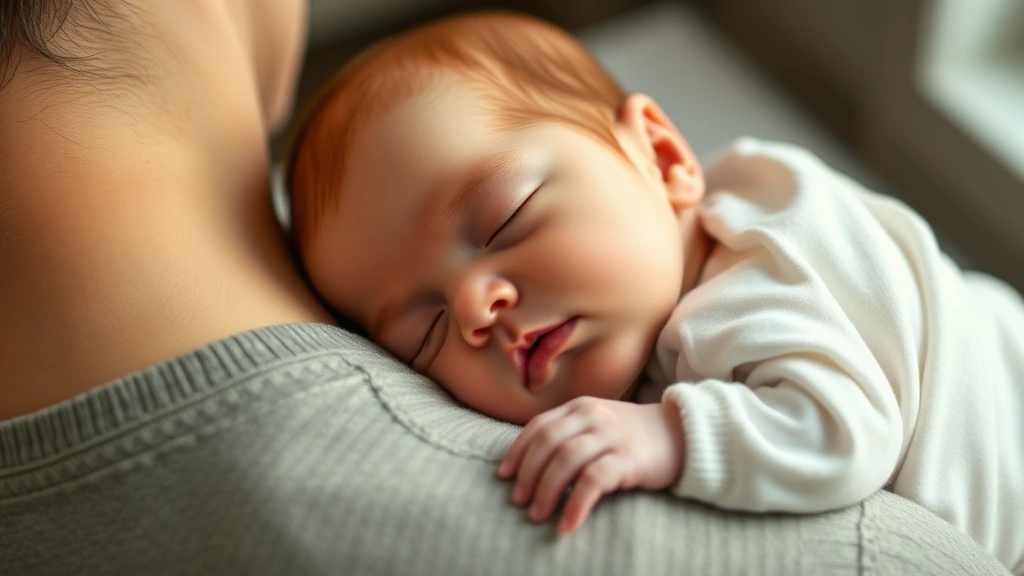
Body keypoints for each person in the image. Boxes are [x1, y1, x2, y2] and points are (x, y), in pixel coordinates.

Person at [285, 11, 1024, 573]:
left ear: (665, 159)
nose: (476, 306)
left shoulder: (757, 271)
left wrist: (668, 437)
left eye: (505, 217)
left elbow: (844, 428)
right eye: (425, 332)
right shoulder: (662, 286)